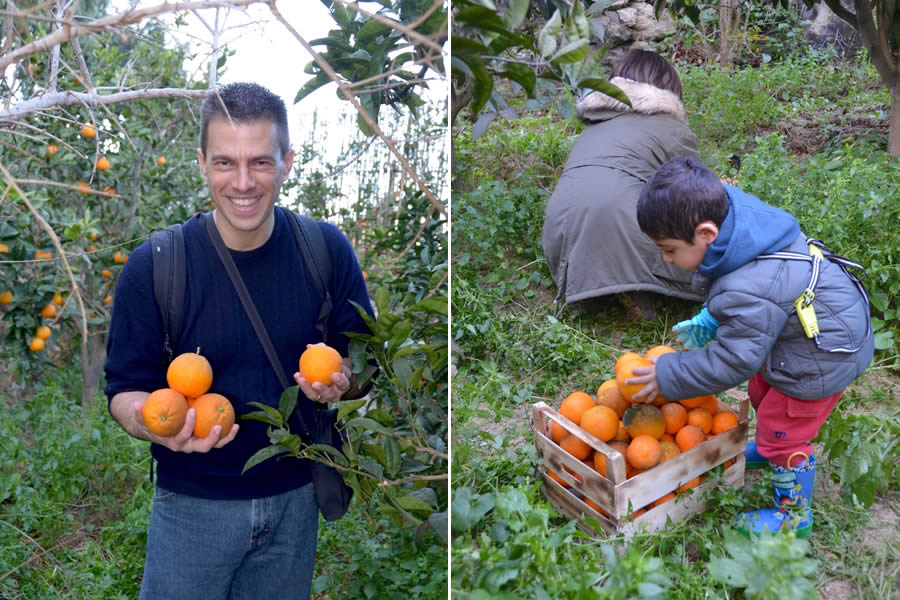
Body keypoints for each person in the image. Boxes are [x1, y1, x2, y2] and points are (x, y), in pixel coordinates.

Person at [104, 82, 375, 599]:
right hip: (191, 509)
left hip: (295, 505)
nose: (244, 183)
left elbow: (361, 361)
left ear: (288, 162)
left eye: (261, 163)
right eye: (226, 163)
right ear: (202, 163)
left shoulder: (326, 251)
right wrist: (155, 425)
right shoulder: (157, 266)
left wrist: (343, 383)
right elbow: (124, 388)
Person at [626, 156, 874, 538]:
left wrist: (669, 374)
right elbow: (755, 290)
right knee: (761, 390)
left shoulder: (749, 288)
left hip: (821, 358)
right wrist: (716, 314)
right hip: (803, 337)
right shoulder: (735, 216)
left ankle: (793, 515)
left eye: (670, 249)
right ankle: (774, 445)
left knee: (786, 429)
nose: (666, 258)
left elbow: (733, 360)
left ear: (707, 233)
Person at [541, 49, 703, 320]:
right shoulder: (672, 129)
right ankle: (638, 287)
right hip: (619, 222)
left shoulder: (594, 125)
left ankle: (593, 284)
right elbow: (694, 193)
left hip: (558, 230)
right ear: (670, 90)